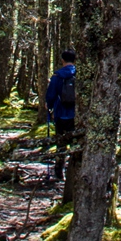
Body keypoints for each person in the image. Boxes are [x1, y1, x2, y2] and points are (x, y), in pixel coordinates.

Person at [45, 50, 77, 182]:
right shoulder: (79, 75)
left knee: (61, 143)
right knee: (76, 143)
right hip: (76, 115)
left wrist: (49, 106)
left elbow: (51, 95)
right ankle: (74, 172)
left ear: (62, 60)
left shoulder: (57, 76)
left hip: (60, 114)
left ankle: (59, 172)